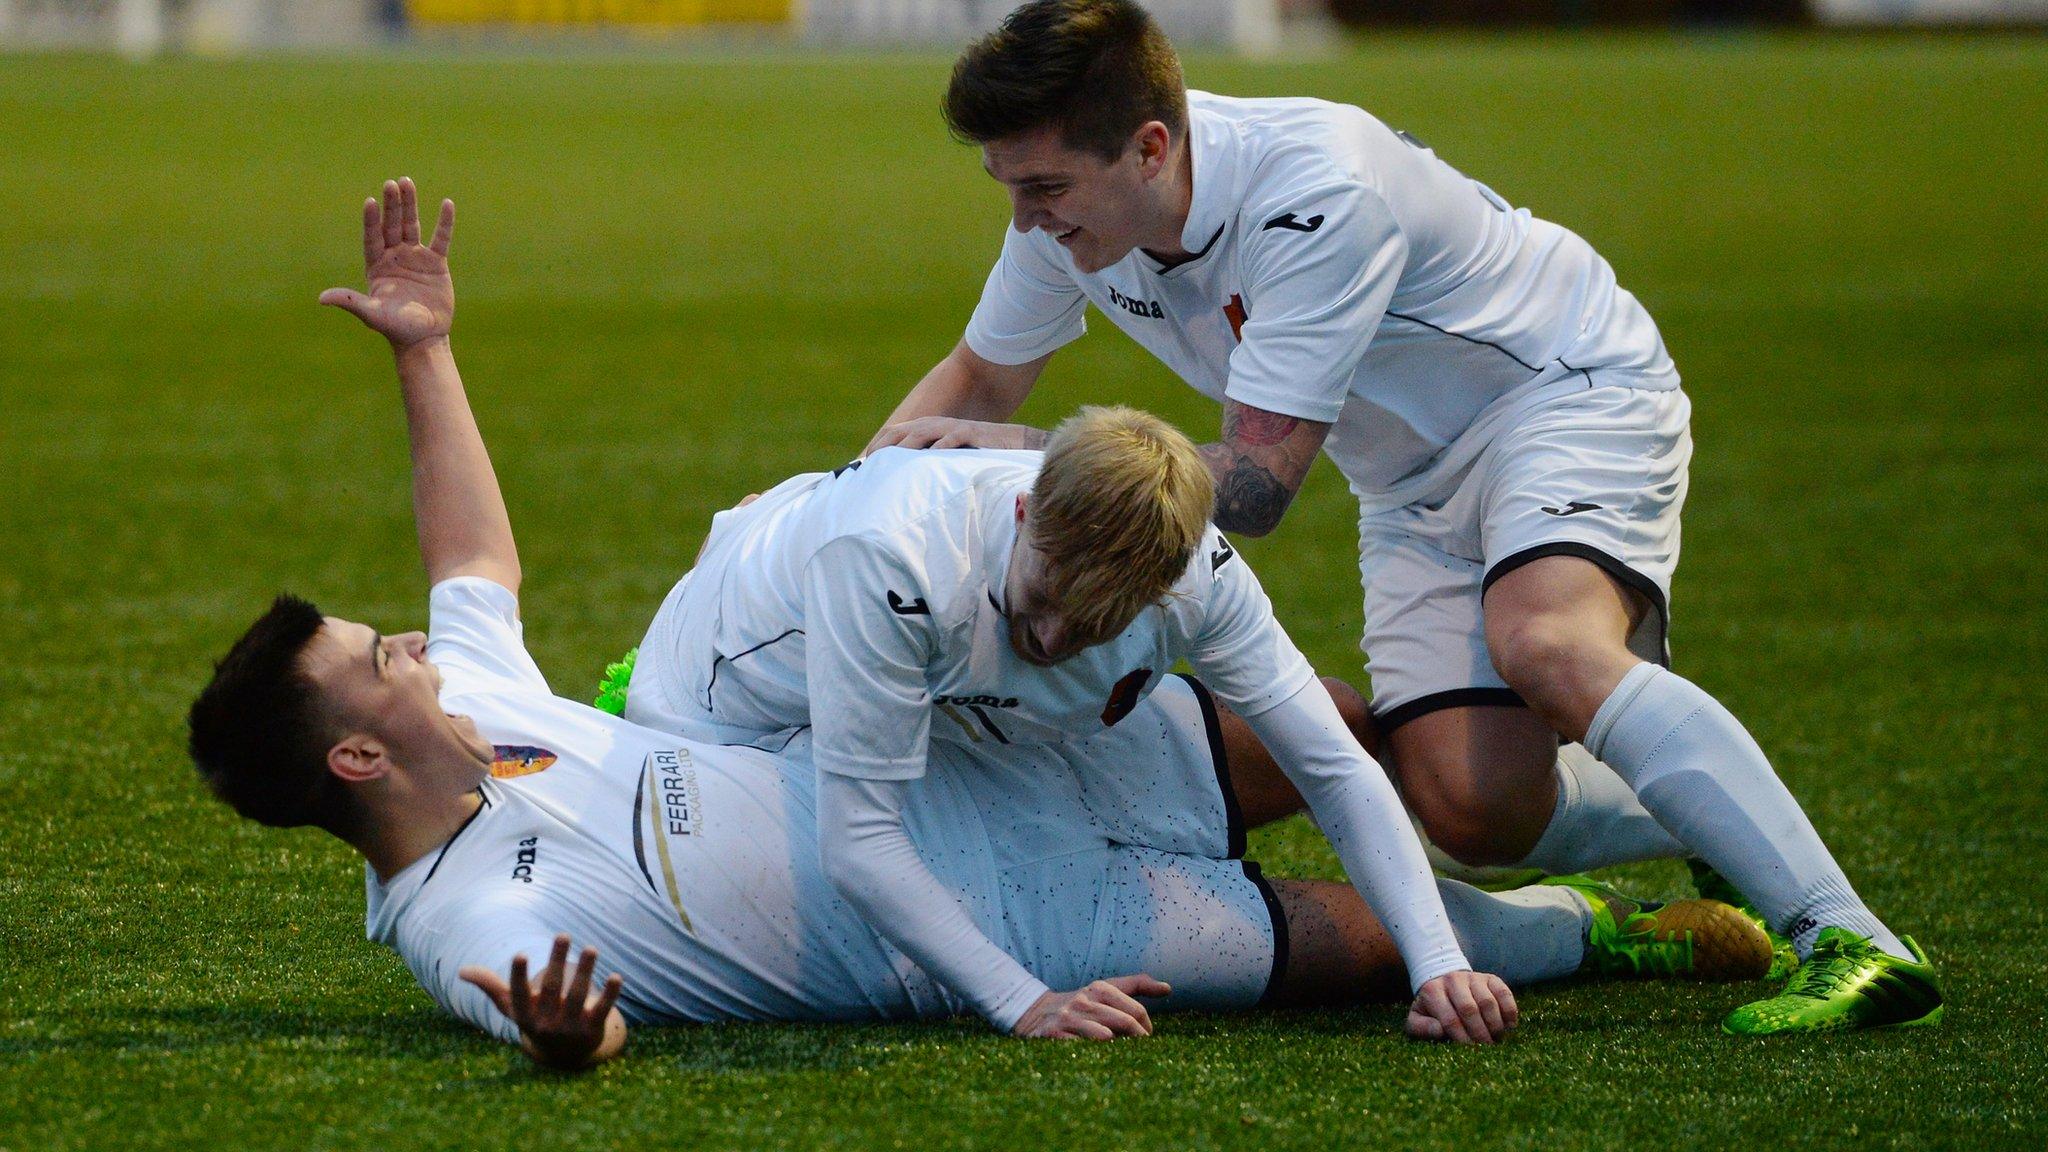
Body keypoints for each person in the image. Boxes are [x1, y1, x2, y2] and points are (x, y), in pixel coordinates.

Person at [184, 180, 1774, 1071]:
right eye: (374, 655)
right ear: (346, 756)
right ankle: (1594, 939)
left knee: (1363, 737)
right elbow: (571, 1029)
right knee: (1350, 950)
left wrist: (424, 351)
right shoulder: (465, 927)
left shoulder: (478, 705)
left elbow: (473, 558)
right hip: (987, 938)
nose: (412, 644)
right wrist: (561, 1043)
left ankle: (1639, 824)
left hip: (974, 783)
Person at [861, 0, 1941, 1035]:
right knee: (1470, 811)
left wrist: (1051, 457)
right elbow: (976, 381)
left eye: (1044, 188)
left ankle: (1849, 937)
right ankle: (1707, 813)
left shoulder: (1313, 191)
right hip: (1405, 479)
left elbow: (1251, 486)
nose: (1026, 220)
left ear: (1149, 149)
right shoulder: (1069, 226)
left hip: (1556, 393)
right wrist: (839, 506)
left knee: (1544, 639)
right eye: (1007, 189)